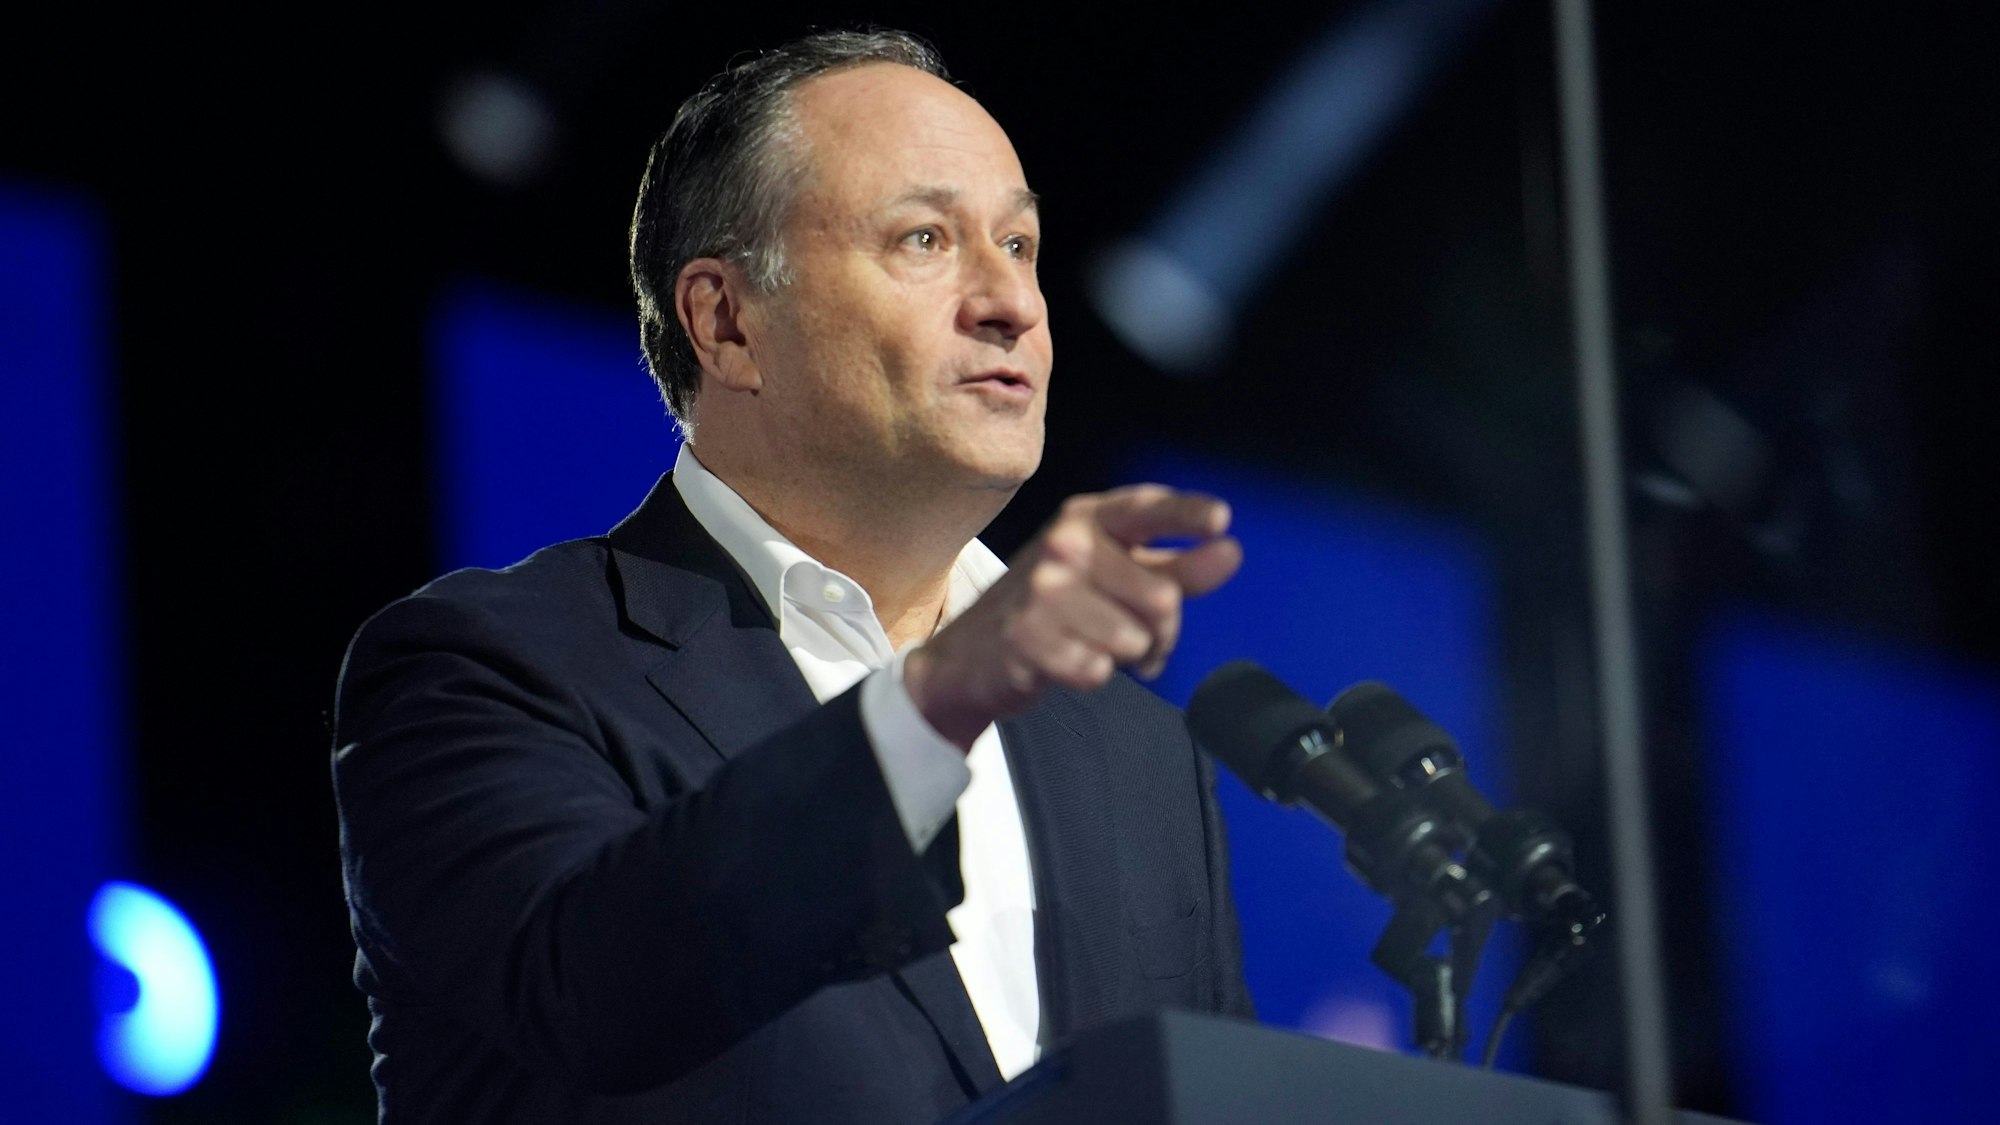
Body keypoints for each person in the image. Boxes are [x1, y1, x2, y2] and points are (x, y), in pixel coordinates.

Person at [333, 29, 1253, 1125]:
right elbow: (589, 989)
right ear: (726, 323)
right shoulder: (489, 669)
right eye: (925, 239)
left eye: (1018, 243)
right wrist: (935, 703)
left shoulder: (1136, 752)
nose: (1012, 302)